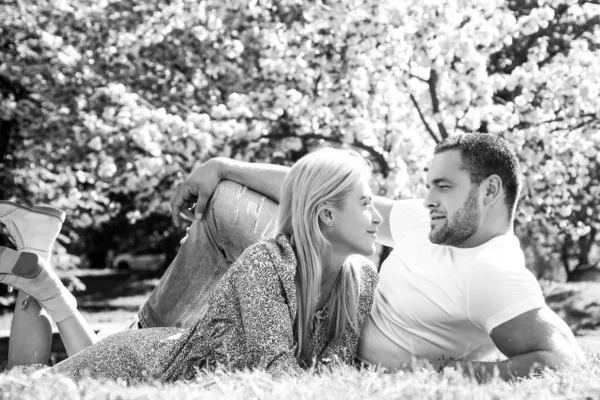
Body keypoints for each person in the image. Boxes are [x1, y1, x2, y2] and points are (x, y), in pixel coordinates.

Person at [135, 133, 584, 381]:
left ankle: (153, 343)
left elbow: (559, 358)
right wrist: (224, 166)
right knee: (229, 200)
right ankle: (150, 335)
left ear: (490, 191)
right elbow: (325, 192)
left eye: (443, 187)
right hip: (328, 290)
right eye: (429, 184)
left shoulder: (493, 272)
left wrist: (458, 372)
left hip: (331, 331)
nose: (427, 198)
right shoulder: (433, 223)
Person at [0, 148, 380, 381]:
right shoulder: (266, 264)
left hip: (165, 362)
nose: (378, 217)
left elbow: (336, 372)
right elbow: (279, 380)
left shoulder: (360, 279)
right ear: (326, 214)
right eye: (366, 203)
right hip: (141, 368)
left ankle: (42, 272)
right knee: (29, 388)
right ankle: (44, 280)